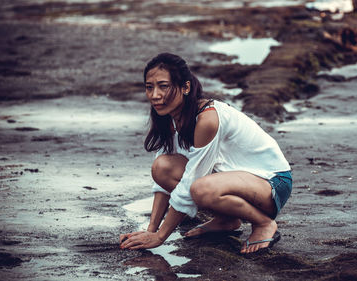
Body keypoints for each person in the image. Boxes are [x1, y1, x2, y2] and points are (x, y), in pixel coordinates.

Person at [119, 53, 292, 254]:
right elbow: (163, 183)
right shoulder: (169, 115)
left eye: (163, 86)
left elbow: (192, 179)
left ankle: (264, 224)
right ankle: (226, 219)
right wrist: (150, 230)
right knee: (162, 168)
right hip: (235, 181)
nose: (155, 95)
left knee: (200, 188)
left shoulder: (207, 119)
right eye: (149, 87)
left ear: (186, 87)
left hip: (272, 183)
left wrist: (160, 237)